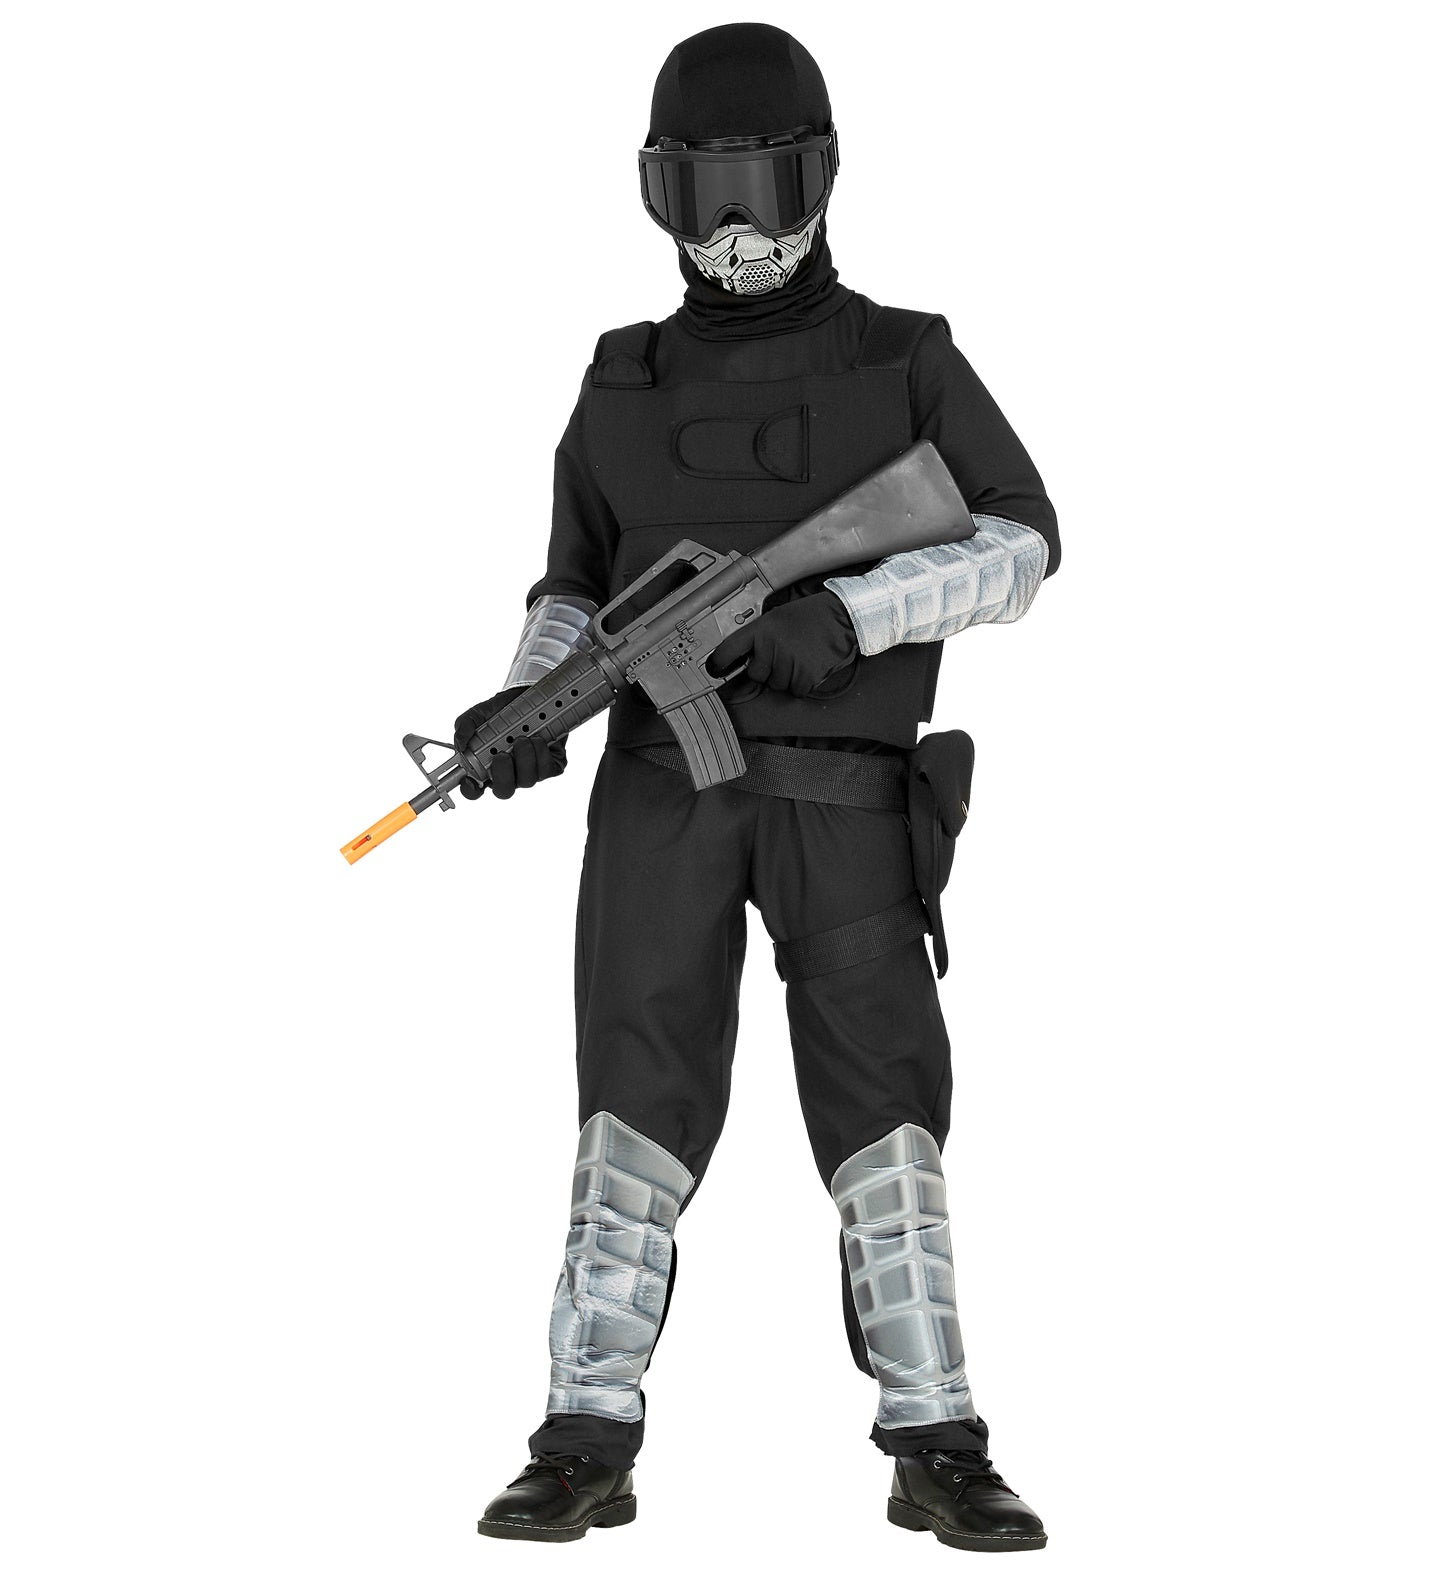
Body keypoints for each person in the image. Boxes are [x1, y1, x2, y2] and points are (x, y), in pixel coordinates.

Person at [466, 24, 1059, 1551]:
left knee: (885, 1121)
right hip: (658, 788)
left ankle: (936, 1438)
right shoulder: (621, 376)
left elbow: (1020, 540)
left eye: (766, 187)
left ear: (822, 179)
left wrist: (847, 618)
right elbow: (573, 581)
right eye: (702, 194)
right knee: (629, 1108)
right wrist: (529, 701)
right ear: (655, 194)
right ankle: (582, 1434)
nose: (736, 231)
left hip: (845, 796)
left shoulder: (905, 355)